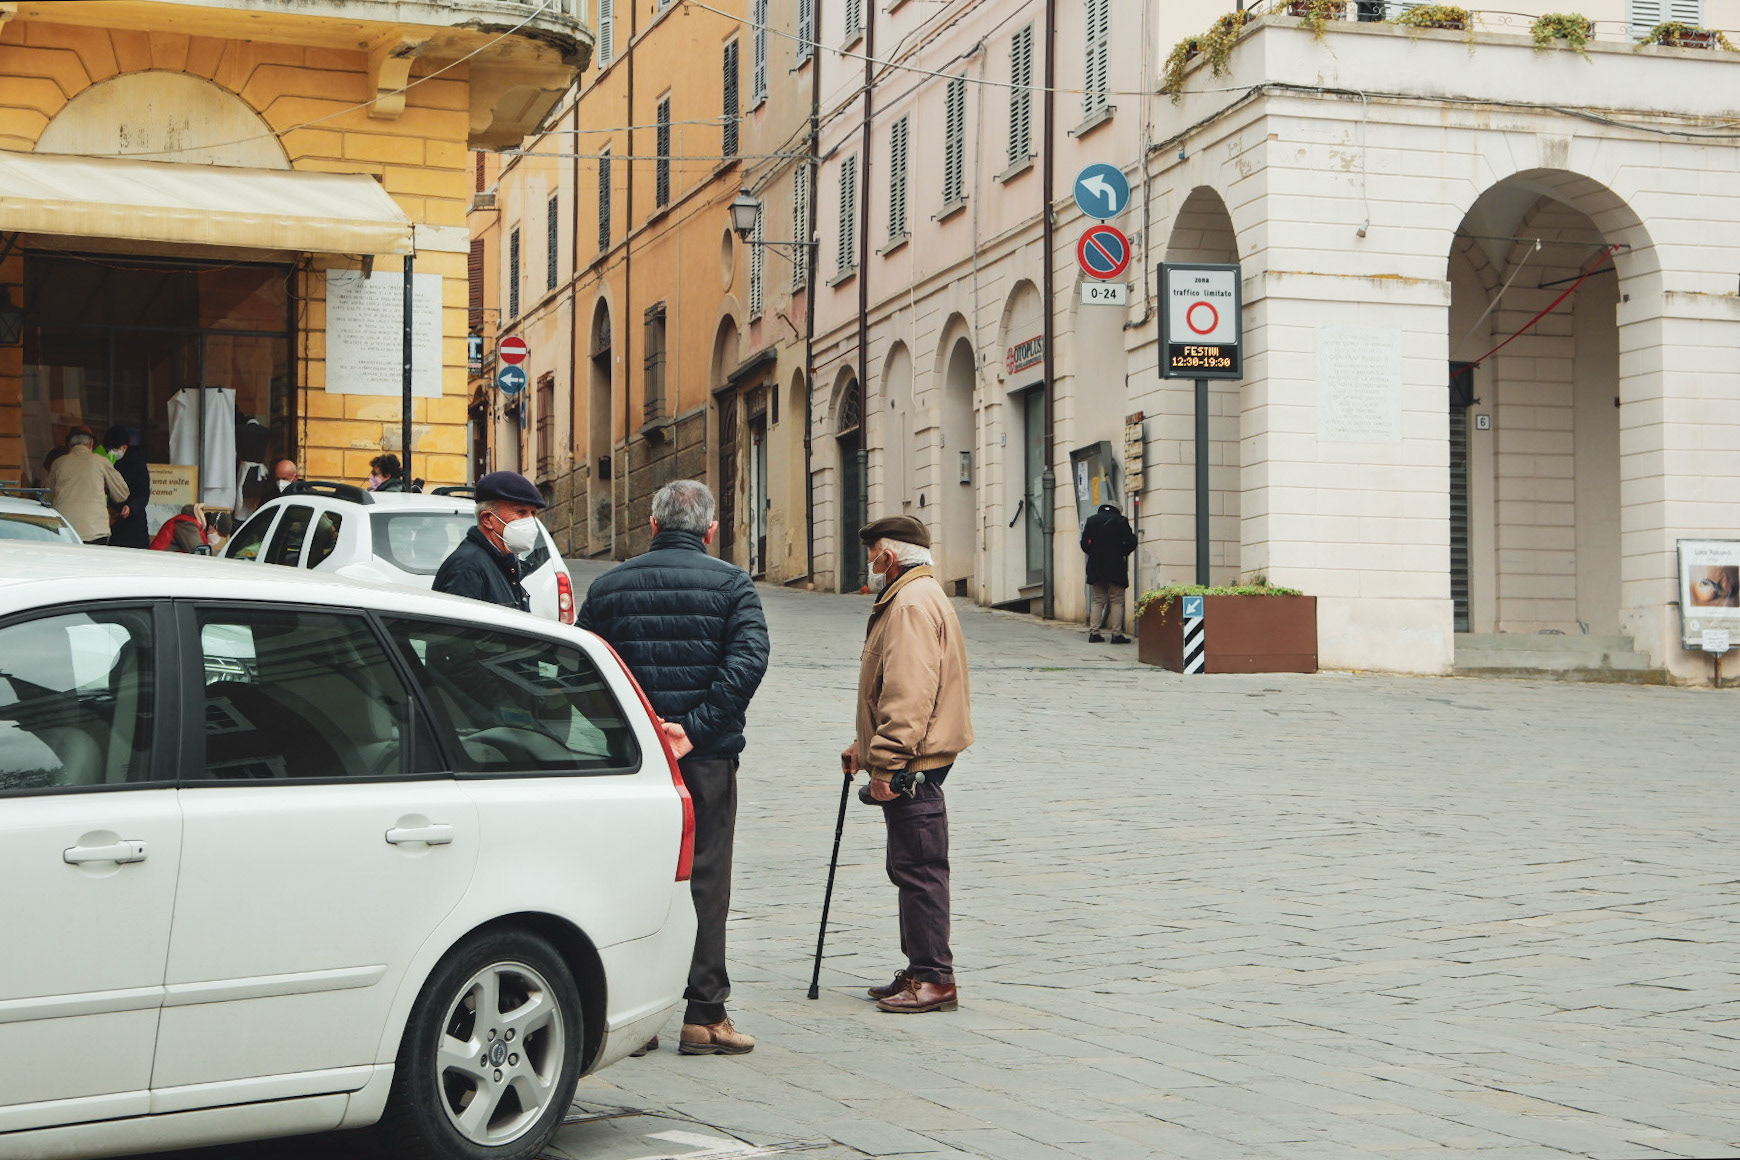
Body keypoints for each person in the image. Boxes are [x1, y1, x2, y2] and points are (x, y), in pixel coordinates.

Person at [576, 480, 770, 1058]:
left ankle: (638, 1017)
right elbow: (748, 661)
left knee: (634, 879)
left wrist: (631, 729)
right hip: (704, 759)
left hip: (631, 765)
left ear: (653, 526)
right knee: (706, 883)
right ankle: (704, 1017)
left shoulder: (608, 586)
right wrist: (697, 728)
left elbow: (581, 666)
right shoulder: (733, 583)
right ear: (709, 532)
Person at [843, 515, 973, 1015]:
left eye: (871, 553)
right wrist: (863, 743)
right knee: (911, 865)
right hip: (911, 754)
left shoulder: (910, 605)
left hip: (913, 762)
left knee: (919, 868)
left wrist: (885, 763)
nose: (869, 564)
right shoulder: (913, 596)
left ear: (888, 557)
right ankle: (921, 968)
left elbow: (910, 693)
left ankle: (935, 978)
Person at [431, 470, 546, 612]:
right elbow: (462, 631)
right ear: (487, 520)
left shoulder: (504, 563)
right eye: (521, 512)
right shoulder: (467, 569)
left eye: (533, 513)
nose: (530, 521)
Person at [47, 428, 129, 545]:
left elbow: (47, 497)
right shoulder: (101, 462)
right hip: (95, 531)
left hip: (64, 530)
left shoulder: (58, 463)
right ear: (91, 444)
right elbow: (122, 494)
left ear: (69, 445)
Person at [1080, 501, 1138, 644]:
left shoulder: (1091, 520)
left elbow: (1084, 544)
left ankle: (1094, 633)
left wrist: (1093, 553)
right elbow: (1131, 542)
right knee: (1116, 600)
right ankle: (1116, 635)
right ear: (1118, 510)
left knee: (1098, 600)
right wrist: (1121, 552)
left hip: (1096, 566)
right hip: (1115, 566)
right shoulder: (1121, 521)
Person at [101, 425, 152, 549]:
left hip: (134, 526)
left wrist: (131, 507)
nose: (112, 451)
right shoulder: (106, 462)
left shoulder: (137, 463)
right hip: (113, 522)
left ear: (125, 446)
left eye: (115, 448)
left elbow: (143, 494)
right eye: (109, 448)